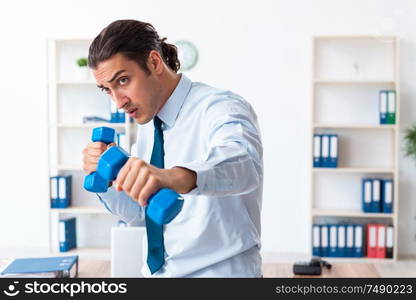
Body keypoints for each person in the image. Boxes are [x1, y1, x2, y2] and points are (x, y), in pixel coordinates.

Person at [82, 19, 263, 277]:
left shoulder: (221, 107)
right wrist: (111, 181)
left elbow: (244, 166)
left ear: (154, 63)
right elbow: (139, 214)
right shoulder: (147, 121)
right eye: (107, 90)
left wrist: (171, 177)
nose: (118, 102)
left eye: (122, 81)